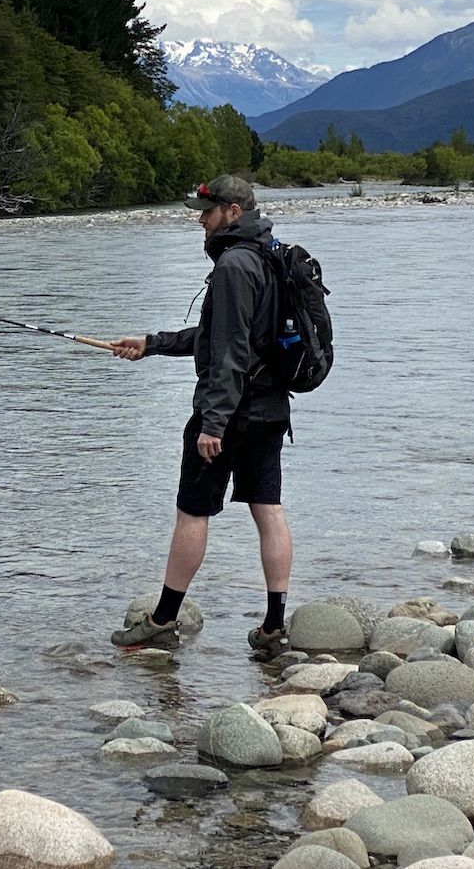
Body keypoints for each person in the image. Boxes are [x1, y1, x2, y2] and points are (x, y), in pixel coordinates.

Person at [107, 173, 294, 651]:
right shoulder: (269, 255)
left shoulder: (234, 264)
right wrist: (151, 344)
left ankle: (163, 620)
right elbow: (221, 336)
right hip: (270, 408)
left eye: (206, 213)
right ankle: (275, 627)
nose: (200, 222)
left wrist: (213, 424)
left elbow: (228, 350)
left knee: (192, 512)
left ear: (233, 212)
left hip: (229, 414)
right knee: (267, 509)